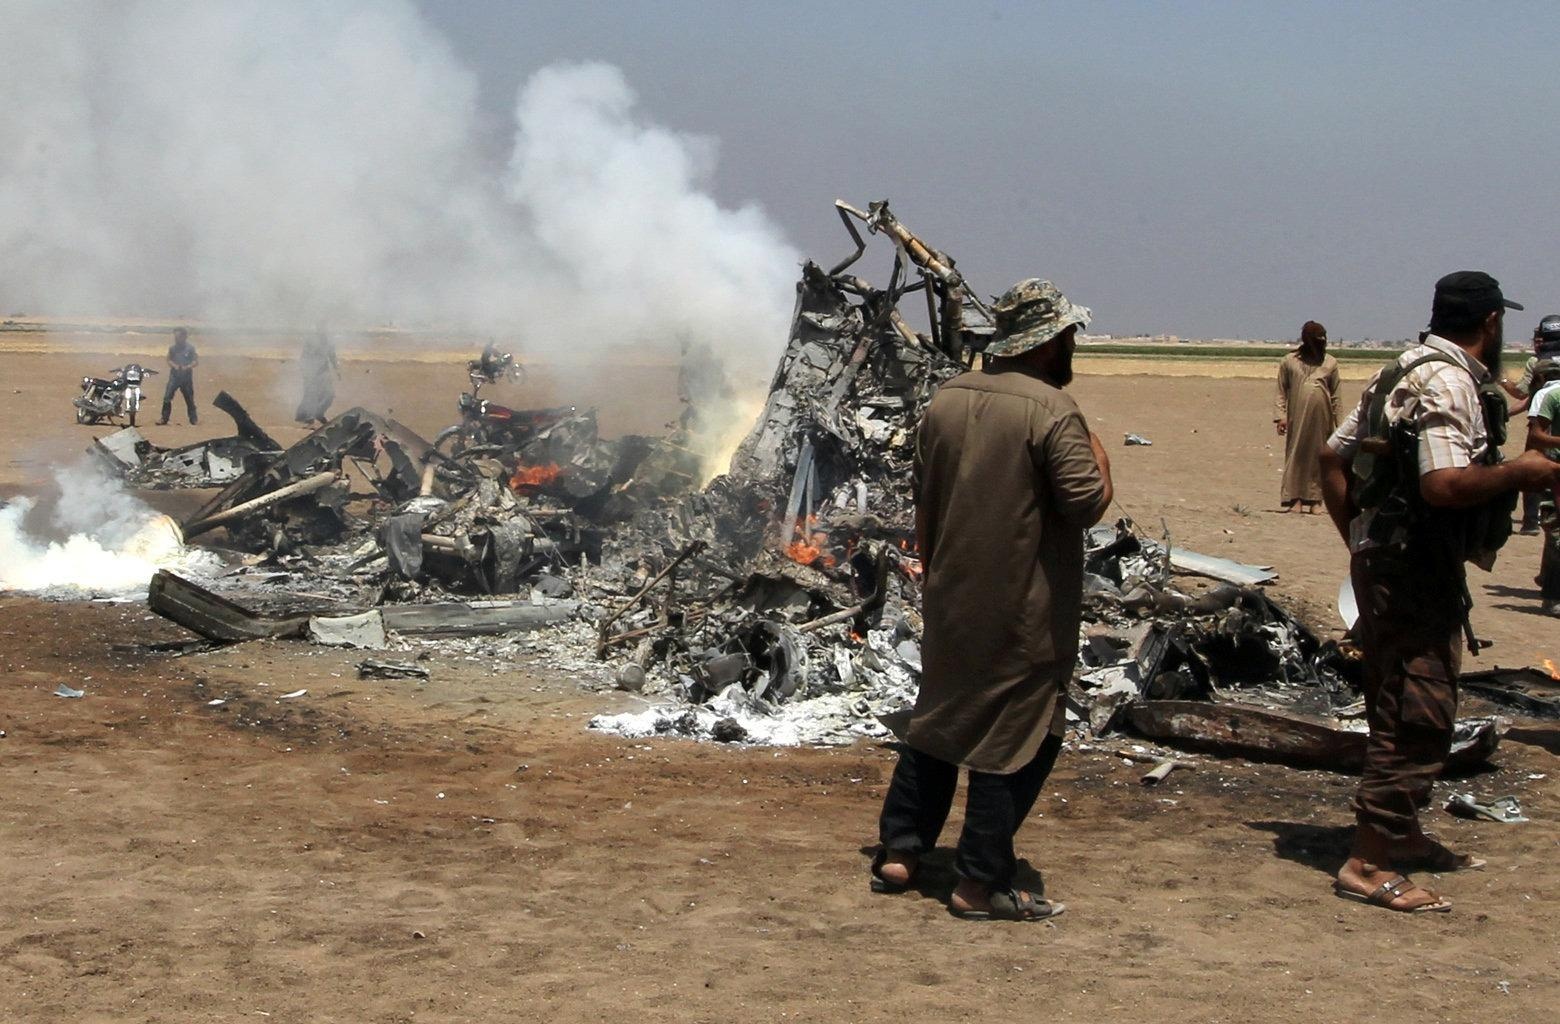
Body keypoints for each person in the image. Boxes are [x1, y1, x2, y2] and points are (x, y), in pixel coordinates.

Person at [871, 279, 1113, 922]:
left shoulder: (945, 401)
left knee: (940, 721)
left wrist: (935, 574)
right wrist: (1103, 457)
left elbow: (923, 502)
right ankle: (980, 881)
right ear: (1045, 342)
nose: (1072, 348)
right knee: (1021, 737)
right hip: (1023, 608)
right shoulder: (1051, 411)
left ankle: (900, 850)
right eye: (1067, 336)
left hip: (951, 596)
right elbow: (1086, 503)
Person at [1319, 271, 1560, 913]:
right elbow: (1443, 486)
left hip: (1392, 566)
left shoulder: (1405, 366)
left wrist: (1361, 543)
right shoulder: (1450, 381)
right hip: (1413, 572)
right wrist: (1522, 472)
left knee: (1393, 699)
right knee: (1420, 714)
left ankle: (1398, 834)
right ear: (1490, 324)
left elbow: (1330, 456)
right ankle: (1367, 863)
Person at [1274, 320, 1344, 512]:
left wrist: (1340, 424)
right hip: (1296, 415)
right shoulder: (1290, 361)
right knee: (1296, 454)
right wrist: (1280, 416)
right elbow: (1281, 390)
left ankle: (1315, 500)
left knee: (1318, 455)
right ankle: (1294, 498)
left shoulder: (1330, 362)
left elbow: (1336, 395)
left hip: (1322, 417)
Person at [1502, 316, 1560, 533]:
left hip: (1541, 421)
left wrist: (1503, 381)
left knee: (1532, 465)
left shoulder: (1536, 363)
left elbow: (1523, 393)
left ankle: (1530, 522)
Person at [1526, 375, 1560, 613]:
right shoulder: (1554, 396)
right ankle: (1552, 595)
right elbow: (1535, 436)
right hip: (1557, 473)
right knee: (1557, 535)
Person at [294, 328, 340, 427]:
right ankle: (309, 419)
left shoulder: (329, 340)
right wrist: (306, 371)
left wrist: (337, 369)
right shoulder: (311, 340)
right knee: (311, 395)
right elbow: (304, 357)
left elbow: (332, 355)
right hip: (311, 371)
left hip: (324, 372)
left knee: (329, 394)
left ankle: (319, 413)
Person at [158, 327, 199, 425]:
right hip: (174, 377)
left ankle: (193, 419)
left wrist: (187, 367)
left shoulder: (190, 348)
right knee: (167, 397)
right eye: (175, 337)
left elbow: (195, 361)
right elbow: (168, 359)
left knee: (189, 399)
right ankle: (164, 418)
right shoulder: (172, 348)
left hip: (186, 378)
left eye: (178, 336)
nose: (176, 339)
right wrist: (174, 366)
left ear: (184, 337)